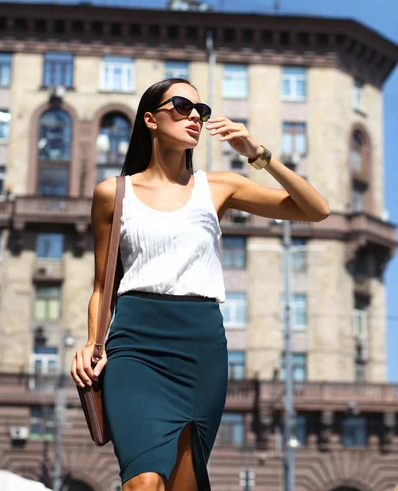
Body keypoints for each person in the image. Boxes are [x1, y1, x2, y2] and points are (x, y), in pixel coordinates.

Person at [71, 78, 330, 491]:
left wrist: (258, 154)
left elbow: (316, 209)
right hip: (135, 346)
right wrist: (91, 344)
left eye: (201, 110)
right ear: (150, 119)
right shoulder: (113, 194)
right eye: (181, 105)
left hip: (200, 346)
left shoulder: (220, 187)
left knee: (181, 486)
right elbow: (102, 285)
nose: (195, 115)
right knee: (143, 482)